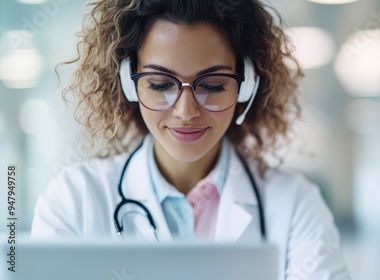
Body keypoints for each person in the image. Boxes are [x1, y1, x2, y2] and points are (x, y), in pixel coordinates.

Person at [31, 0, 351, 279]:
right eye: (159, 84)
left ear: (247, 86)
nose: (186, 112)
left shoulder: (295, 205)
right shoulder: (73, 200)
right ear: (130, 85)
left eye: (212, 85)